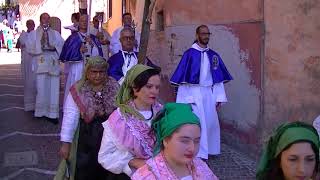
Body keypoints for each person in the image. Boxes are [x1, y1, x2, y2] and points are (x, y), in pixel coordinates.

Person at [170, 24, 233, 159]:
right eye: (203, 34)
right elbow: (183, 81)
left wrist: (219, 97)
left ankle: (211, 150)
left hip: (209, 94)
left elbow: (218, 79)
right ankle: (199, 153)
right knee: (199, 124)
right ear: (197, 35)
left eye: (208, 34)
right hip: (194, 94)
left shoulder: (213, 55)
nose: (206, 36)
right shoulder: (189, 54)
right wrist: (185, 100)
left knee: (211, 123)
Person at [55, 56, 120, 180]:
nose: (98, 76)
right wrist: (66, 144)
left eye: (101, 72)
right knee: (86, 171)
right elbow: (70, 117)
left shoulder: (115, 86)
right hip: (87, 140)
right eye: (94, 72)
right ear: (87, 72)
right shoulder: (79, 89)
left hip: (111, 139)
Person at [98, 64, 162, 177]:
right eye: (149, 86)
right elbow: (105, 156)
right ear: (135, 89)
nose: (154, 91)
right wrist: (132, 162)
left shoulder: (163, 113)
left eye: (157, 87)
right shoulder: (119, 118)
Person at [132, 103, 219, 180]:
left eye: (196, 141)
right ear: (165, 140)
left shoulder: (199, 166)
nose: (192, 148)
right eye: (185, 141)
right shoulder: (147, 175)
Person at [27, 13, 64, 121]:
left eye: (48, 18)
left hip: (52, 61)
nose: (46, 20)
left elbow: (62, 45)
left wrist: (55, 47)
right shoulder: (34, 34)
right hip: (41, 61)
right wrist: (39, 47)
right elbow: (29, 46)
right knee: (41, 87)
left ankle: (52, 114)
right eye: (44, 18)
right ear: (40, 19)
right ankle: (40, 112)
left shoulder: (56, 34)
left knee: (53, 87)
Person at [60, 14, 103, 103]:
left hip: (90, 68)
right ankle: (74, 110)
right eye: (82, 21)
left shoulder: (93, 38)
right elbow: (67, 54)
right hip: (77, 69)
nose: (84, 23)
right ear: (78, 23)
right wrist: (79, 51)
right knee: (76, 91)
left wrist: (92, 45)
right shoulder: (73, 38)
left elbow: (98, 54)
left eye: (86, 21)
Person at [18, 19, 36, 111]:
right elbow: (22, 44)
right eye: (29, 24)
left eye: (32, 24)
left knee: (35, 80)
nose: (31, 26)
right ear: (26, 25)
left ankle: (36, 102)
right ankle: (29, 102)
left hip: (35, 59)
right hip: (26, 60)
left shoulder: (37, 34)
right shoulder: (23, 34)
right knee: (27, 79)